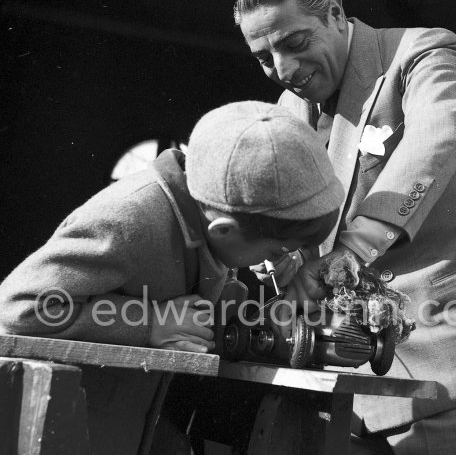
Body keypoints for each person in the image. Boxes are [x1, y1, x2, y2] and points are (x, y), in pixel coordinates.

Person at [234, 0, 456, 454]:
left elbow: (433, 145)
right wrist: (275, 250)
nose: (283, 71)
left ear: (334, 12)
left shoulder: (424, 53)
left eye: (295, 43)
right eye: (264, 58)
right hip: (351, 363)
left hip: (455, 357)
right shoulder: (289, 111)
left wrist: (353, 248)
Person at [0, 100, 344, 454]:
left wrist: (264, 323)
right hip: (71, 429)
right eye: (276, 251)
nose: (281, 260)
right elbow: (19, 306)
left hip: (138, 423)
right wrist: (149, 324)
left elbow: (194, 299)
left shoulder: (209, 206)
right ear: (224, 230)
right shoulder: (130, 220)